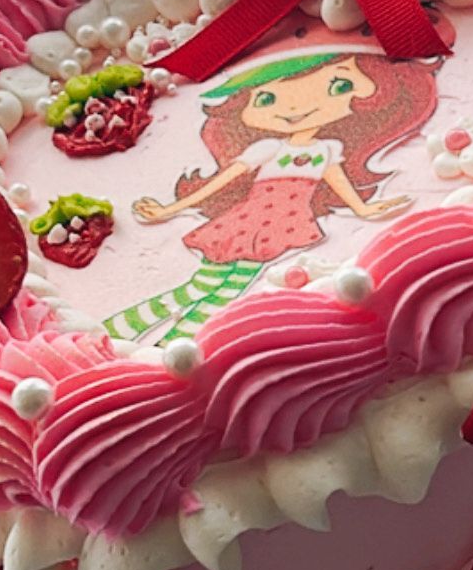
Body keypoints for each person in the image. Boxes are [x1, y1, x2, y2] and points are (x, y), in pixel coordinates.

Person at [104, 43, 440, 345]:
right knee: (200, 287)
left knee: (227, 294)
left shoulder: (326, 149)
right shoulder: (266, 147)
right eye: (266, 97)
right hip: (243, 222)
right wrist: (171, 209)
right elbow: (223, 181)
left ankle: (170, 350)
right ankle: (117, 334)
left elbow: (339, 183)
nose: (297, 106)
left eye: (338, 86)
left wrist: (365, 211)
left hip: (282, 228)